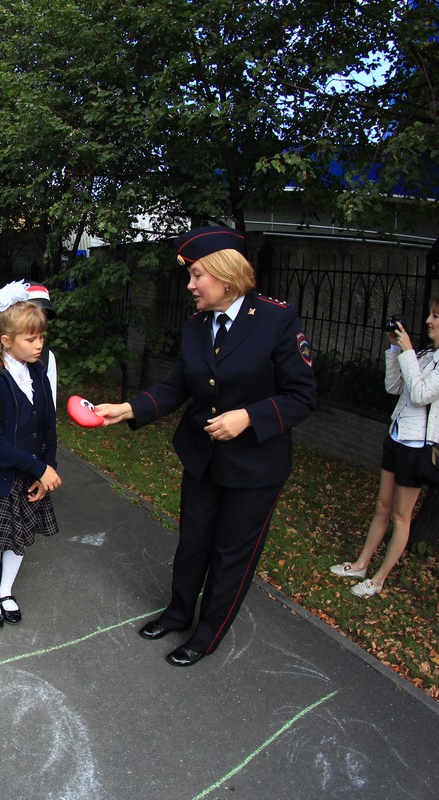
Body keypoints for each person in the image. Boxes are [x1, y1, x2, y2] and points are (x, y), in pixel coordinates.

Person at [94, 226, 317, 668]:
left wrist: (248, 417)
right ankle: (178, 613)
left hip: (255, 467)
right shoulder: (197, 325)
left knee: (231, 553)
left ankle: (207, 634)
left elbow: (303, 397)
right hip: (204, 459)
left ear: (226, 277)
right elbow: (179, 385)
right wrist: (130, 408)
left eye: (197, 276)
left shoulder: (276, 320)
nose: (191, 286)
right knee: (193, 542)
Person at [330, 296, 439, 597]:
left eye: (436, 316)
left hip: (417, 445)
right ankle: (362, 563)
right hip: (397, 436)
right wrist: (394, 347)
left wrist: (407, 351)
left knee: (401, 517)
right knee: (382, 505)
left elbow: (420, 395)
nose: (428, 321)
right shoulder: (431, 353)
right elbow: (394, 387)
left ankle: (378, 579)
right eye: (429, 314)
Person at [0, 301, 61, 628]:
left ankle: (7, 591)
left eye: (41, 337)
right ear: (6, 340)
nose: (39, 345)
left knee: (20, 537)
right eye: (31, 339)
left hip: (32, 476)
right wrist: (39, 469)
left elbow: (49, 423)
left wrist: (45, 469)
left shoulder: (37, 372)